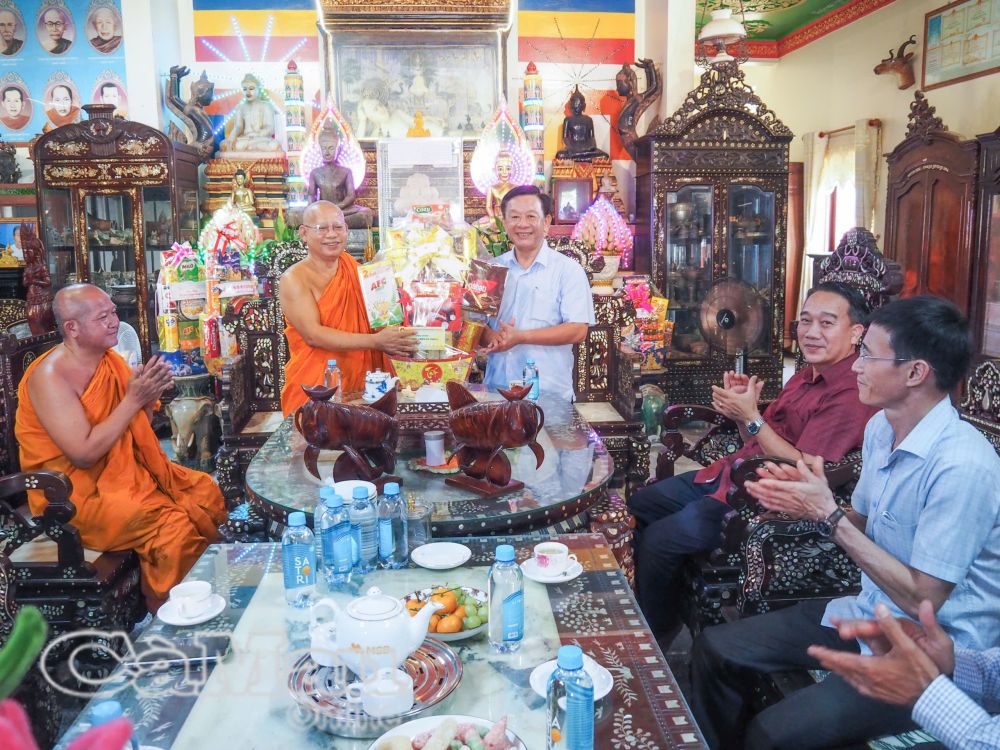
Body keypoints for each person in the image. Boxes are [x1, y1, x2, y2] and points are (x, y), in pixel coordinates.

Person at [691, 295, 1000, 749]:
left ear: (915, 372)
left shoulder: (962, 466)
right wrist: (808, 506)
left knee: (772, 733)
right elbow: (861, 521)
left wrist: (828, 515)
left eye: (869, 355)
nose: (856, 366)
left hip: (930, 653)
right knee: (716, 649)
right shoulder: (882, 428)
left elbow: (924, 599)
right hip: (871, 612)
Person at [629, 281, 875, 648]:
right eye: (806, 321)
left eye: (826, 323)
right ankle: (660, 605)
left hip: (761, 501)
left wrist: (753, 417)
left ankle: (658, 633)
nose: (811, 332)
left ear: (856, 333)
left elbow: (807, 468)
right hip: (728, 475)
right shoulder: (805, 375)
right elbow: (754, 440)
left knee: (659, 540)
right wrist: (744, 414)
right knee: (639, 505)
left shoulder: (851, 391)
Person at [15, 284, 227, 612]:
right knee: (173, 527)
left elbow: (135, 429)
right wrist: (133, 400)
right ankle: (172, 612)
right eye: (103, 317)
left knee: (203, 491)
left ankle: (208, 598)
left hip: (123, 478)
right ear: (72, 328)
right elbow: (83, 454)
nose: (115, 321)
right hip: (75, 497)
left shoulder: (110, 361)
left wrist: (145, 399)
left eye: (113, 312)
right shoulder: (50, 377)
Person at [279, 200, 418, 415]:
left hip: (364, 386)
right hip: (317, 389)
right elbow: (313, 335)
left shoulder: (358, 271)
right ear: (304, 233)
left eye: (338, 227)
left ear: (346, 230)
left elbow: (382, 318)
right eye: (322, 228)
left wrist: (403, 330)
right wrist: (376, 341)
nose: (332, 234)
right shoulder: (294, 279)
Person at [481, 185, 595, 401]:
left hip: (548, 395)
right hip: (497, 392)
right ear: (504, 222)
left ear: (546, 222)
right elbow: (475, 324)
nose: (522, 224)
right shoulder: (491, 270)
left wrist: (521, 337)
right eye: (514, 217)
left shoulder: (568, 271)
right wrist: (491, 336)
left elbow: (578, 330)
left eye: (531, 216)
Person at [305, 122, 372, 229]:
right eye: (324, 148)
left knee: (365, 214)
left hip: (342, 210)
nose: (327, 152)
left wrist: (336, 208)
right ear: (319, 149)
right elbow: (311, 196)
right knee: (293, 215)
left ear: (338, 149)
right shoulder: (315, 172)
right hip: (322, 211)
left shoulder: (346, 172)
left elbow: (351, 196)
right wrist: (312, 211)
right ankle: (331, 222)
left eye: (331, 148)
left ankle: (328, 222)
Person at [219, 73, 281, 153]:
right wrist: (232, 136)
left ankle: (250, 148)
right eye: (245, 89)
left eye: (251, 89)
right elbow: (238, 126)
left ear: (259, 89)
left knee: (274, 145)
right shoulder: (240, 107)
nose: (248, 92)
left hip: (261, 139)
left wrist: (258, 134)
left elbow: (270, 128)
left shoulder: (266, 106)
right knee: (224, 145)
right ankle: (251, 148)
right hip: (244, 139)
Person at [555, 85, 608, 161]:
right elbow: (565, 138)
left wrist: (591, 147)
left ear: (583, 106)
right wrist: (571, 147)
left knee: (604, 156)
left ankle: (578, 157)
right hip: (573, 148)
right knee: (560, 155)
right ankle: (582, 157)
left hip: (587, 148)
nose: (577, 107)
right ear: (571, 106)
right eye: (575, 105)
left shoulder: (588, 120)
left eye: (579, 105)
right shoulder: (568, 120)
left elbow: (592, 137)